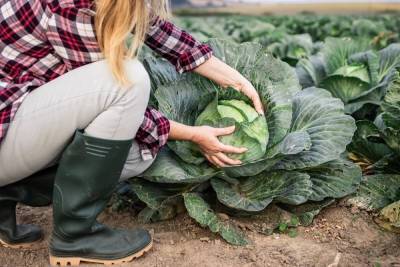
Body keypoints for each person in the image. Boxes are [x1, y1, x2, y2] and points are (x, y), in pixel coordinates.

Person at [0, 0, 263, 265]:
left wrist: (238, 80)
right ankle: (75, 237)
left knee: (138, 154)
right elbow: (119, 94)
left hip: (14, 122)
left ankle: (6, 194)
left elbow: (165, 35)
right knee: (128, 78)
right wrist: (194, 134)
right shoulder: (70, 6)